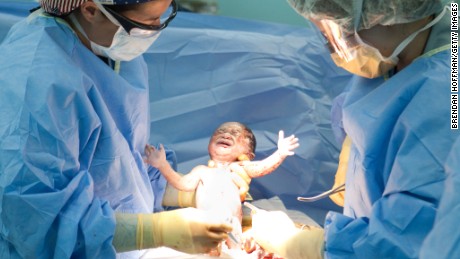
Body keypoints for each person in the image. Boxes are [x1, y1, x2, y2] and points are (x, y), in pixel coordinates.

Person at [0, 0, 250, 258]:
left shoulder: (110, 46)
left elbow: (122, 165)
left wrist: (191, 192)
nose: (155, 29)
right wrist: (152, 231)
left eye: (163, 16)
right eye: (148, 22)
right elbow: (36, 223)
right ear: (91, 9)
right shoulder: (36, 82)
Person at [249, 0, 459, 258]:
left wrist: (311, 247)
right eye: (324, 33)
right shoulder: (397, 57)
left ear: (390, 11)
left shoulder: (447, 95)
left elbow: (414, 242)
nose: (335, 48)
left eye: (341, 31)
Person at [144, 121, 299, 196]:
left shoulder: (238, 169)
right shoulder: (200, 171)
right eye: (221, 131)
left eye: (236, 134)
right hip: (203, 224)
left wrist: (280, 153)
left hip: (230, 224)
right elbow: (182, 184)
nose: (226, 134)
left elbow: (260, 168)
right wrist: (162, 164)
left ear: (248, 155)